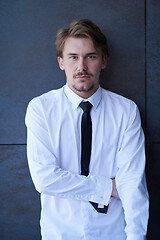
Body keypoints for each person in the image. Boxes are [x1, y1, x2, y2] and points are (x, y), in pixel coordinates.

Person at [25, 19, 149, 240]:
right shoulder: (40, 109)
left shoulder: (126, 111)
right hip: (58, 234)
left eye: (90, 56)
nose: (81, 67)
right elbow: (45, 179)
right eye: (73, 57)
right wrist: (108, 187)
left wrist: (136, 237)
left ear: (103, 60)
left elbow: (131, 183)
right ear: (61, 62)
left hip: (112, 234)